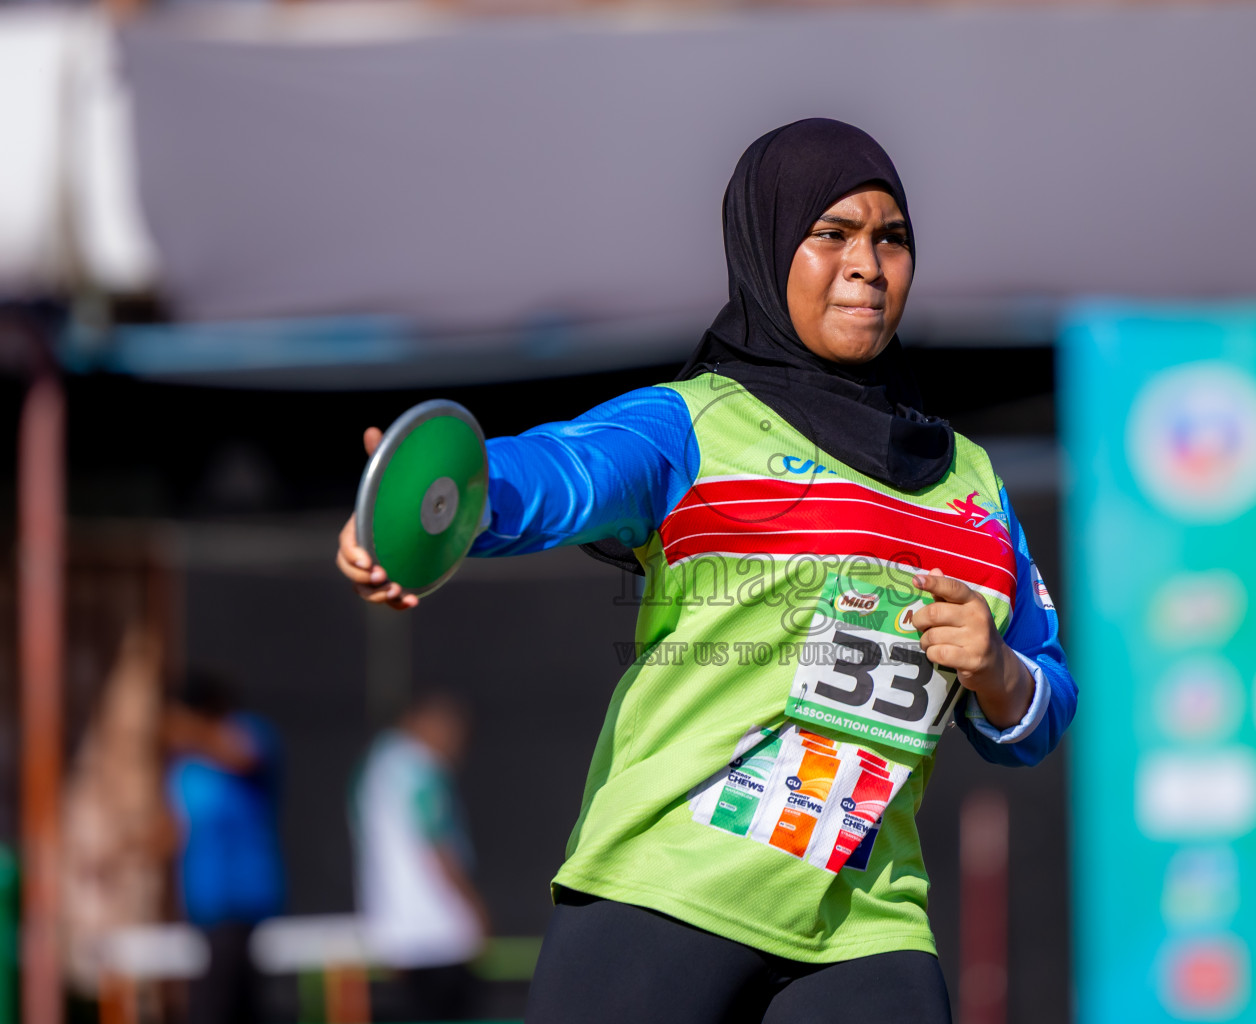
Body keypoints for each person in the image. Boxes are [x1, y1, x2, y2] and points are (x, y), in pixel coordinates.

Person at [335, 118, 1078, 1023]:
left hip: (867, 921)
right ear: (766, 247)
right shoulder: (691, 426)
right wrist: (443, 499)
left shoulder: (973, 482)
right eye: (832, 234)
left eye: (892, 237)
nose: (867, 265)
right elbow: (561, 474)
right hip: (666, 893)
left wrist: (997, 670)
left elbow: (1042, 711)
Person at [351, 691, 486, 1021]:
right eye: (451, 731)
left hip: (395, 931)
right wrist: (474, 907)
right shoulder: (421, 767)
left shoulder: (375, 765)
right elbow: (438, 843)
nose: (456, 744)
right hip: (442, 930)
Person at [162, 670, 284, 1024]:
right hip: (205, 901)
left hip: (243, 897)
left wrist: (184, 729)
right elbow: (175, 827)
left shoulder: (249, 734)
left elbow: (242, 755)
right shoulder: (186, 766)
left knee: (218, 1005)